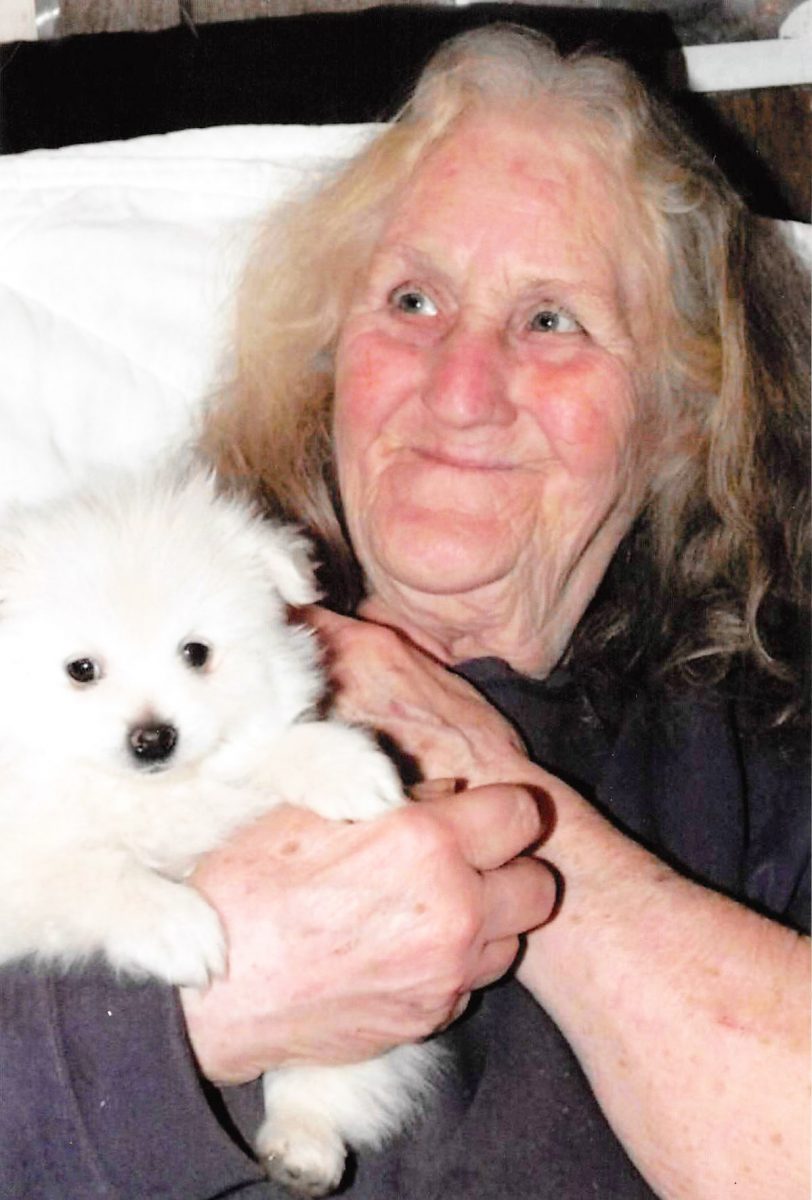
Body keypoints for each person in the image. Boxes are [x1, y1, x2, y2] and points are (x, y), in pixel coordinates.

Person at [1, 24, 808, 1200]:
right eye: (412, 300)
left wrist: (528, 824)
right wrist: (203, 1015)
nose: (461, 387)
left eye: (550, 320)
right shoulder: (83, 627)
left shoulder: (754, 758)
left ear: (682, 411)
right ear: (331, 359)